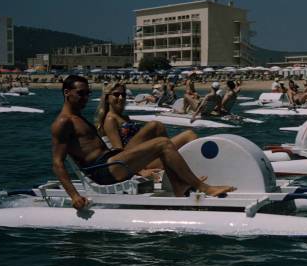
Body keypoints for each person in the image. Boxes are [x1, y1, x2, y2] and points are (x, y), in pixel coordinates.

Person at [51, 75, 234, 210]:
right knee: (163, 143)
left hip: (111, 162)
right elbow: (57, 163)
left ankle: (179, 185)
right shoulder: (63, 122)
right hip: (103, 170)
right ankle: (204, 188)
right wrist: (74, 195)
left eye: (87, 94)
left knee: (162, 140)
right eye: (80, 93)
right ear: (67, 93)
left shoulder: (78, 117)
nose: (84, 98)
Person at [95, 82, 197, 152]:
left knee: (189, 135)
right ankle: (169, 151)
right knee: (155, 126)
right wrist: (141, 170)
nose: (121, 98)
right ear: (107, 98)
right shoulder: (110, 119)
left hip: (144, 152)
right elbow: (119, 151)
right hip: (136, 158)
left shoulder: (124, 117)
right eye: (116, 94)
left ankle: (169, 150)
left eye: (123, 94)